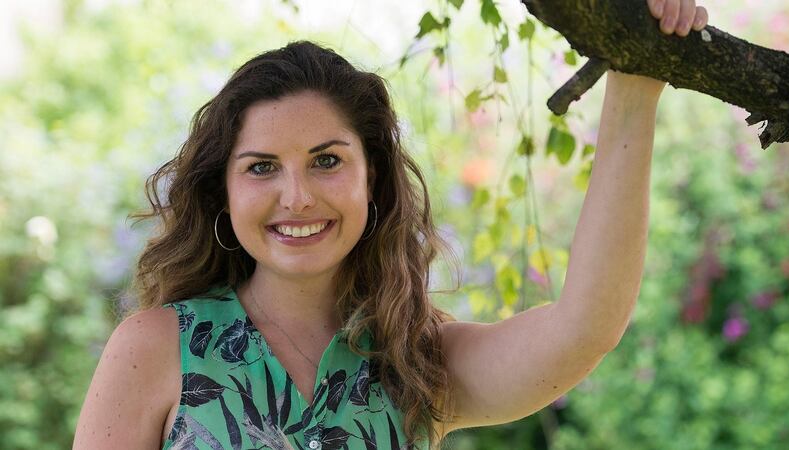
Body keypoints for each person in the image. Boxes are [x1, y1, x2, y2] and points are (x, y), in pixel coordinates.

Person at [73, 1, 709, 449]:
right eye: (262, 167)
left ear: (372, 179)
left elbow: (586, 328)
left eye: (327, 161)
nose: (295, 196)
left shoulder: (416, 359)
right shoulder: (157, 349)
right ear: (225, 193)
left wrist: (636, 79)